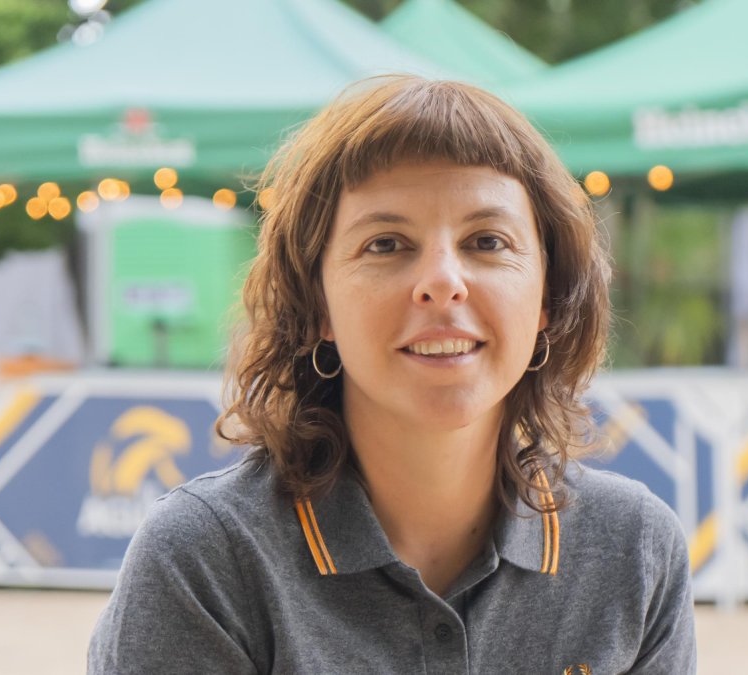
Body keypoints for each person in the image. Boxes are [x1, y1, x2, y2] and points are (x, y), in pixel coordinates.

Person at [88, 75, 695, 674]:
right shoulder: (207, 559)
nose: (442, 281)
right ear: (317, 303)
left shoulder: (633, 550)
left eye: (487, 240)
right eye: (386, 244)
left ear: (547, 297)